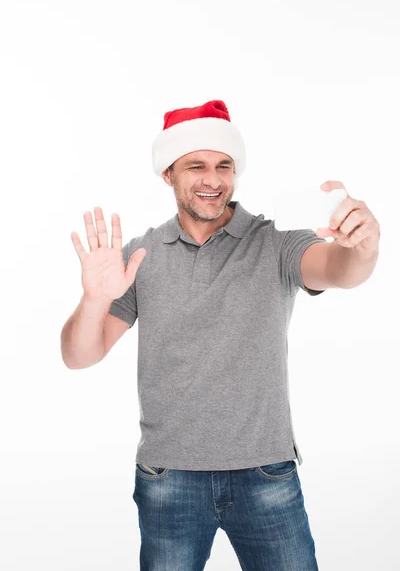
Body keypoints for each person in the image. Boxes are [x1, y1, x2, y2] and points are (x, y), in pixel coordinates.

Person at [61, 99, 327, 570]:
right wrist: (95, 297)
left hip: (265, 471)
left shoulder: (275, 240)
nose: (213, 179)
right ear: (168, 174)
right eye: (197, 166)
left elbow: (338, 268)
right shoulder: (141, 254)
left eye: (224, 166)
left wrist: (362, 248)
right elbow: (80, 355)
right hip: (169, 476)